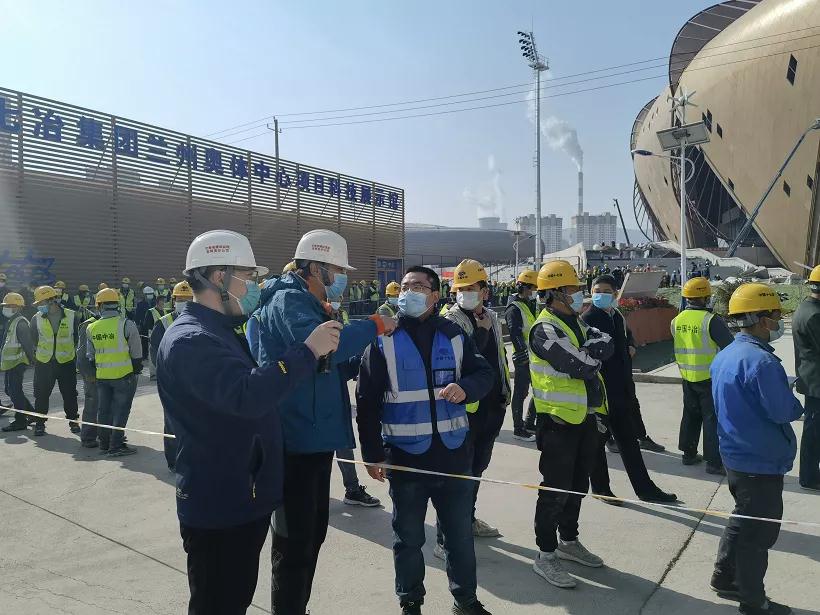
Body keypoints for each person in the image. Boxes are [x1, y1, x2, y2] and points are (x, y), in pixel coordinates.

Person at [157, 229, 341, 615]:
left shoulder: (218, 331)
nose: (255, 286)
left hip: (238, 498)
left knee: (233, 598)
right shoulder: (193, 340)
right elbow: (248, 395)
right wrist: (308, 351)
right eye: (249, 277)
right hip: (220, 505)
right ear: (219, 277)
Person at [256, 228, 396, 615]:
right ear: (316, 268)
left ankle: (296, 606)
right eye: (338, 270)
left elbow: (326, 364)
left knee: (312, 533)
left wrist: (358, 358)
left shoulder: (310, 303)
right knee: (294, 542)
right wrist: (374, 325)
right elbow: (322, 346)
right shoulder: (288, 299)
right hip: (295, 438)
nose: (341, 277)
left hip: (313, 435)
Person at [356, 265, 494, 615]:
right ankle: (411, 602)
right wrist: (372, 453)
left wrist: (466, 388)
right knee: (408, 539)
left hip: (453, 456)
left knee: (459, 538)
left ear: (435, 295)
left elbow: (484, 373)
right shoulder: (384, 338)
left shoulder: (454, 334)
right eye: (405, 286)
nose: (408, 292)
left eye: (418, 286)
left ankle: (466, 601)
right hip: (406, 458)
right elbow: (366, 401)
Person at [710, 283, 803, 615]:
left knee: (742, 520)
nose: (778, 322)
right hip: (759, 461)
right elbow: (782, 411)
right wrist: (794, 400)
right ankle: (753, 601)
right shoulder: (762, 363)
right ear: (763, 320)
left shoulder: (726, 354)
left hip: (736, 456)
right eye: (776, 315)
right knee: (757, 537)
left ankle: (724, 576)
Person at [528, 260, 613, 589]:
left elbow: (607, 342)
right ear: (555, 293)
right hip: (557, 421)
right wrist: (590, 354)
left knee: (578, 485)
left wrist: (588, 352)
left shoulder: (576, 322)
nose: (579, 294)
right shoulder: (544, 329)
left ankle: (569, 541)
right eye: (573, 289)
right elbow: (580, 365)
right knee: (554, 490)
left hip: (585, 418)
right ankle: (546, 554)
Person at [584, 275, 677, 504]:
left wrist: (631, 345)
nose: (601, 295)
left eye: (606, 291)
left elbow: (627, 337)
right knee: (597, 445)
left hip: (623, 390)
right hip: (602, 394)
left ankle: (645, 489)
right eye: (597, 291)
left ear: (616, 294)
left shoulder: (616, 316)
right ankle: (601, 489)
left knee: (629, 443)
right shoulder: (587, 319)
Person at [442, 259, 510, 541]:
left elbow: (498, 357)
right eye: (461, 288)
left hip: (491, 406)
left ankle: (467, 519)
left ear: (485, 291)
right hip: (465, 409)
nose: (465, 293)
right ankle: (448, 533)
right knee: (459, 472)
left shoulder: (492, 316)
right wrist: (479, 332)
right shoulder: (450, 320)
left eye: (471, 288)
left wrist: (505, 391)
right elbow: (465, 359)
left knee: (478, 467)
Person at [671, 277, 734, 475]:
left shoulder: (677, 320)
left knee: (690, 415)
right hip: (709, 378)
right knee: (711, 419)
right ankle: (714, 462)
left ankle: (688, 453)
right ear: (706, 297)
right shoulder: (711, 320)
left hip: (687, 376)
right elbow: (730, 347)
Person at [326, 291, 381, 508]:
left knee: (342, 446)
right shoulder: (301, 322)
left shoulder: (332, 316)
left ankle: (352, 489)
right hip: (313, 406)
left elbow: (342, 369)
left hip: (335, 401)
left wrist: (360, 357)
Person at [86, 288, 143, 456]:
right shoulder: (126, 324)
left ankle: (104, 444)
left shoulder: (91, 327)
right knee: (121, 411)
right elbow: (137, 353)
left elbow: (90, 356)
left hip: (102, 377)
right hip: (123, 376)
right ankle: (116, 446)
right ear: (117, 305)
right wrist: (136, 369)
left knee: (103, 411)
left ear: (99, 306)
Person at [150, 281, 193, 471]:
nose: (183, 302)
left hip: (192, 380)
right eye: (181, 299)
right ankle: (174, 461)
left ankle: (190, 457)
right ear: (173, 300)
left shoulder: (200, 318)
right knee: (172, 421)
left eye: (187, 298)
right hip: (173, 381)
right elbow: (155, 351)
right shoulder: (163, 322)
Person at [30, 285, 80, 437]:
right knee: (41, 394)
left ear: (51, 300)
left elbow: (76, 338)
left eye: (41, 302)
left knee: (70, 394)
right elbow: (34, 339)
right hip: (44, 363)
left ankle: (73, 421)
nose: (39, 306)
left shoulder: (72, 316)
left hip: (66, 362)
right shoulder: (36, 318)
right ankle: (40, 423)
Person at [791, 265, 820, 491]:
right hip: (816, 382)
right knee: (814, 433)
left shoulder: (805, 307)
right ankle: (809, 477)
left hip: (811, 379)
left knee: (814, 431)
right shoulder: (815, 315)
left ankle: (811, 474)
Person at [505, 269, 538, 441]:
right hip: (523, 357)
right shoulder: (514, 308)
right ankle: (518, 429)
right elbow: (514, 332)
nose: (536, 291)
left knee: (539, 390)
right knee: (521, 392)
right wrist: (522, 352)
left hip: (535, 356)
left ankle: (529, 423)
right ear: (525, 288)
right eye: (534, 288)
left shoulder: (529, 304)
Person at [1, 293, 36, 432]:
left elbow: (28, 345)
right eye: (5, 305)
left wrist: (33, 361)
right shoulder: (12, 321)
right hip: (11, 363)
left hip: (18, 362)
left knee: (15, 391)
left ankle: (20, 421)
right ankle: (32, 414)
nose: (6, 308)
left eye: (10, 305)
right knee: (9, 390)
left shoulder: (21, 323)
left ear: (18, 307)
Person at [76, 303, 100, 448]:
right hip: (93, 373)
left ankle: (108, 434)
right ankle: (88, 436)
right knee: (92, 403)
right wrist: (89, 374)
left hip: (110, 372)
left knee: (109, 405)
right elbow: (82, 354)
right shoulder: (88, 325)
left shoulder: (117, 322)